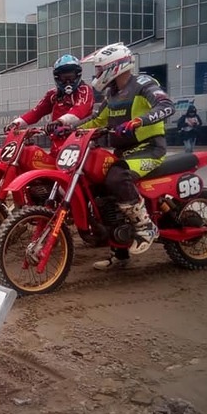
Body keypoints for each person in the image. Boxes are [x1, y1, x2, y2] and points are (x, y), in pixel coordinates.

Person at [78, 42, 176, 270]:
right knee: (100, 187)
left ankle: (145, 226)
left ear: (114, 67)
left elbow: (167, 105)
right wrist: (69, 129)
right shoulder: (112, 94)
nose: (97, 75)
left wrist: (138, 121)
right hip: (124, 152)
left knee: (116, 177)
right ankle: (120, 252)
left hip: (149, 148)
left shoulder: (143, 85)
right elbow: (96, 121)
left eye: (99, 70)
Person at [7, 54, 94, 154]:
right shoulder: (53, 94)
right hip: (57, 144)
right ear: (57, 78)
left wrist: (59, 122)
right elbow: (36, 112)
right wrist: (15, 123)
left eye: (71, 77)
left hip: (81, 144)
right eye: (64, 78)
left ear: (78, 75)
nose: (68, 81)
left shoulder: (84, 90)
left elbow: (79, 110)